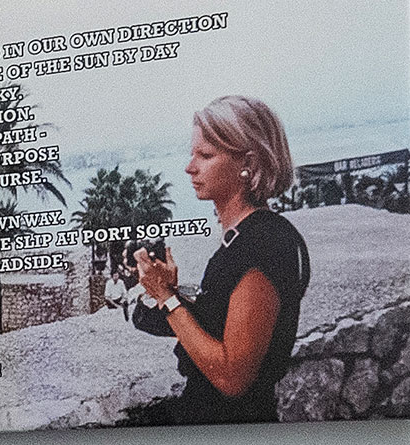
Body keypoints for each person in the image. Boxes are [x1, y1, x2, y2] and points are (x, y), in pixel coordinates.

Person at [133, 96, 311, 423]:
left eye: (205, 155)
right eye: (192, 154)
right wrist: (171, 294)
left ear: (249, 164)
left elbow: (232, 377)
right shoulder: (253, 238)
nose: (190, 167)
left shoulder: (262, 245)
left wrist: (165, 297)